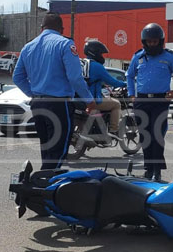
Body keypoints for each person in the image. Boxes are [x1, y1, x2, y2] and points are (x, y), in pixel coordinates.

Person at [13, 12, 95, 170]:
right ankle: (47, 186)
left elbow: (17, 77)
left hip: (37, 104)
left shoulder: (28, 47)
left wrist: (34, 94)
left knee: (47, 148)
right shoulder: (65, 44)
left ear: (41, 28)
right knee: (58, 151)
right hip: (59, 104)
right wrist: (89, 100)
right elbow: (75, 78)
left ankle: (44, 185)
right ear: (62, 29)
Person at [125, 23, 173, 182]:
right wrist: (132, 94)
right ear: (144, 42)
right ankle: (148, 169)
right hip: (141, 100)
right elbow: (129, 76)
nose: (152, 44)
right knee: (145, 136)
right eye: (149, 42)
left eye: (155, 41)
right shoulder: (137, 57)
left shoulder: (169, 57)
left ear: (161, 41)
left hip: (160, 100)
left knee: (157, 134)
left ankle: (157, 171)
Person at [82, 40, 126, 136]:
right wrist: (124, 84)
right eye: (101, 54)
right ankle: (113, 130)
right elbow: (112, 81)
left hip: (80, 99)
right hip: (93, 99)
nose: (102, 56)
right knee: (116, 104)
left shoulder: (82, 63)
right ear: (95, 53)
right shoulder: (97, 66)